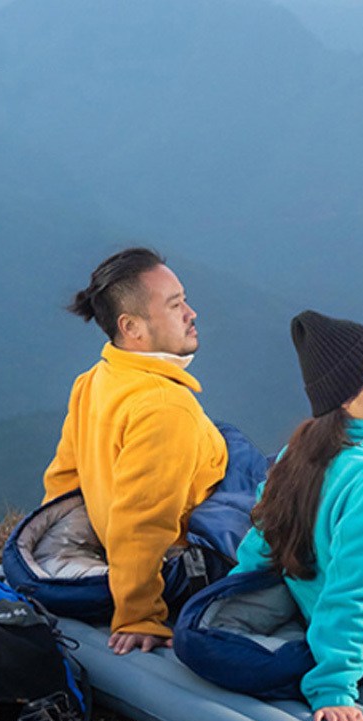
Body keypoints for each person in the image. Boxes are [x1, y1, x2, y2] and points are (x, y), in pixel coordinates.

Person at [233, 311, 363, 721]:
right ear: (345, 399)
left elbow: (257, 553)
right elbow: (352, 592)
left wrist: (221, 611)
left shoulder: (294, 457)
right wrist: (334, 687)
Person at [43, 248, 228, 654]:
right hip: (182, 564)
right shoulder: (165, 406)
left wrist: (50, 556)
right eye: (175, 305)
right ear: (132, 327)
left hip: (116, 547)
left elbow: (63, 481)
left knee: (227, 438)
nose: (191, 313)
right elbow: (142, 522)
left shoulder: (95, 380)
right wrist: (139, 615)